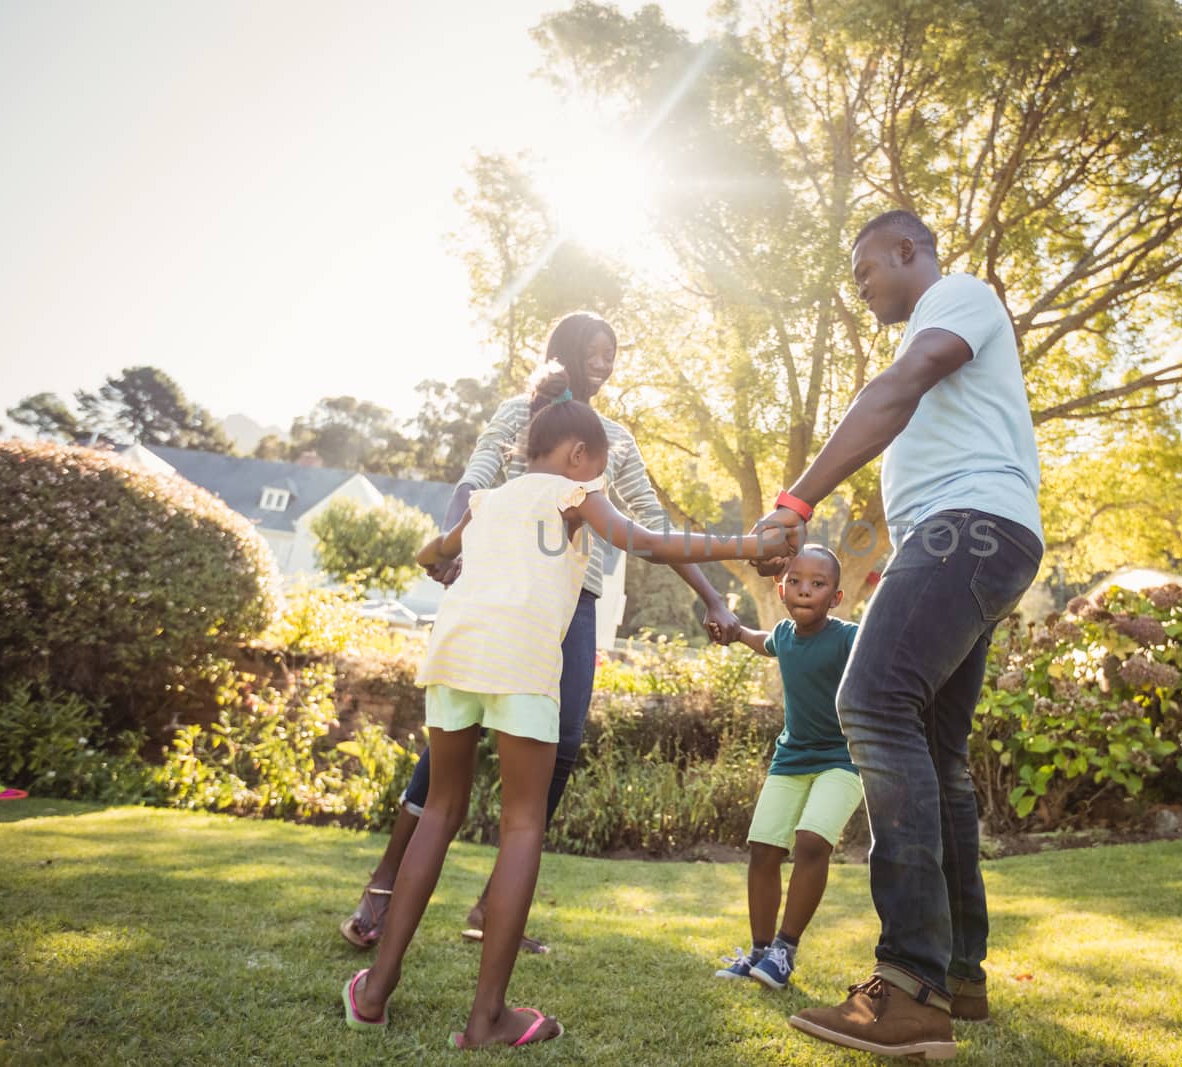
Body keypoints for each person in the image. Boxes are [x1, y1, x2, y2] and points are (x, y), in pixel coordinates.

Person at [341, 370, 796, 1048]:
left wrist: (444, 551)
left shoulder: (487, 501)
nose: (601, 479)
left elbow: (430, 551)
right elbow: (644, 542)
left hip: (455, 651)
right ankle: (487, 1016)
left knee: (440, 807)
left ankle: (374, 991)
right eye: (602, 467)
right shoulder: (577, 492)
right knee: (523, 823)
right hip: (521, 659)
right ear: (579, 454)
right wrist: (747, 546)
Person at [340, 312, 741, 952]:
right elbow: (472, 485)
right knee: (455, 742)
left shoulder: (616, 439)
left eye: (613, 354)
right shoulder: (516, 415)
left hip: (572, 602)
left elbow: (651, 526)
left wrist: (714, 598)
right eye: (595, 352)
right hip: (498, 597)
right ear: (565, 352)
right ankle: (382, 888)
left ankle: (494, 909)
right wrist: (451, 552)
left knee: (562, 743)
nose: (605, 364)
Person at [752, 211, 1044, 1059]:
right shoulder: (942, 327)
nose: (861, 286)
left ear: (910, 251)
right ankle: (957, 974)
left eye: (865, 268)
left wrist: (795, 502)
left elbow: (896, 390)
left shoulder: (957, 297)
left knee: (871, 703)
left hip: (970, 531)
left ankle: (909, 982)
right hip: (965, 539)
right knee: (936, 751)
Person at [712, 545, 861, 992]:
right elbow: (766, 643)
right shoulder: (784, 633)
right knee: (763, 848)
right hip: (792, 756)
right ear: (781, 589)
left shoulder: (848, 637)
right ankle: (759, 952)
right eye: (795, 581)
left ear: (835, 597)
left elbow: (882, 661)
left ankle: (784, 950)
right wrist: (736, 633)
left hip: (844, 759)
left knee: (813, 841)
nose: (804, 590)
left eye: (818, 584)